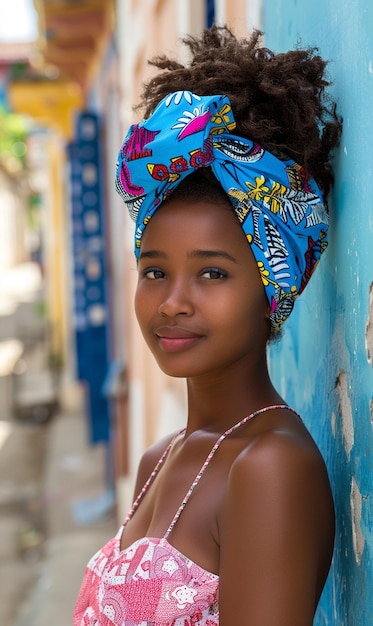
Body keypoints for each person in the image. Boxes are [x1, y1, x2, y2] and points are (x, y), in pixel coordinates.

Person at [74, 25, 342, 626]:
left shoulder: (271, 467)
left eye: (213, 275)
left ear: (272, 287)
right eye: (154, 271)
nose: (172, 302)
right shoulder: (158, 460)